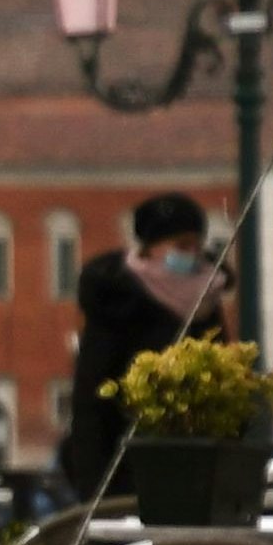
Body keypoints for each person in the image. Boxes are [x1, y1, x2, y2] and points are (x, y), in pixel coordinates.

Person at [59, 192, 229, 501]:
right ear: (151, 248)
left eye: (195, 245)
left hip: (195, 467)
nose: (191, 255)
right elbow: (91, 399)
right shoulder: (115, 300)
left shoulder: (207, 297)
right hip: (125, 465)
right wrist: (95, 487)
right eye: (180, 246)